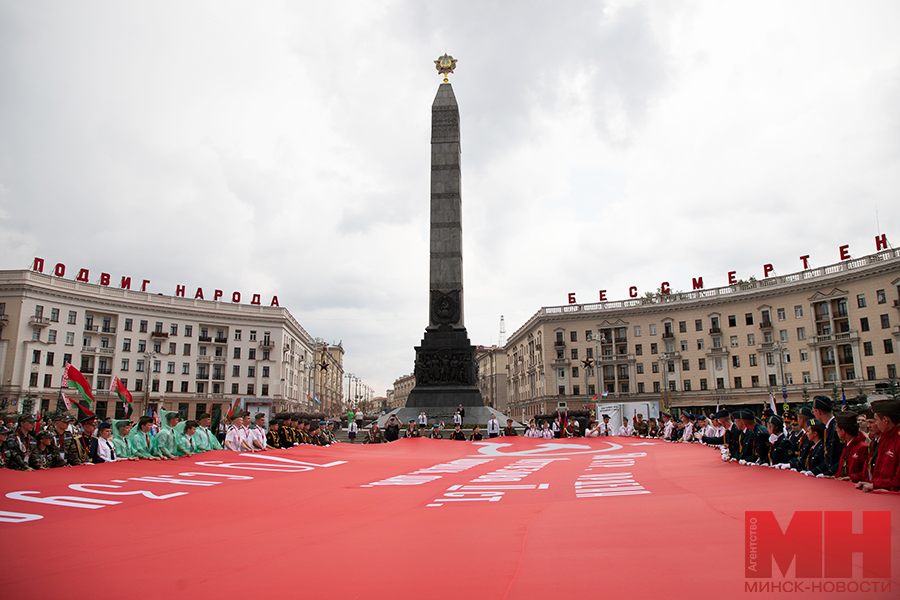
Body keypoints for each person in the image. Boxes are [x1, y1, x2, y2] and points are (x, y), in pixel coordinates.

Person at [857, 400, 900, 492]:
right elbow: (877, 471)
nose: (875, 424)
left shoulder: (897, 440)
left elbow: (898, 480)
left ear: (885, 420)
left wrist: (875, 484)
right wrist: (871, 483)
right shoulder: (884, 439)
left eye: (876, 420)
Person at [811, 396, 842, 476]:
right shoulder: (828, 428)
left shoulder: (835, 428)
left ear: (818, 412)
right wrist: (814, 472)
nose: (814, 414)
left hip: (837, 475)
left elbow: (841, 457)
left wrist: (828, 473)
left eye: (814, 412)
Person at [833, 411, 867, 482]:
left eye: (837, 428)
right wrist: (835, 477)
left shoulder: (862, 447)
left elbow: (867, 472)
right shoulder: (847, 445)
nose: (836, 431)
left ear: (843, 431)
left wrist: (852, 477)